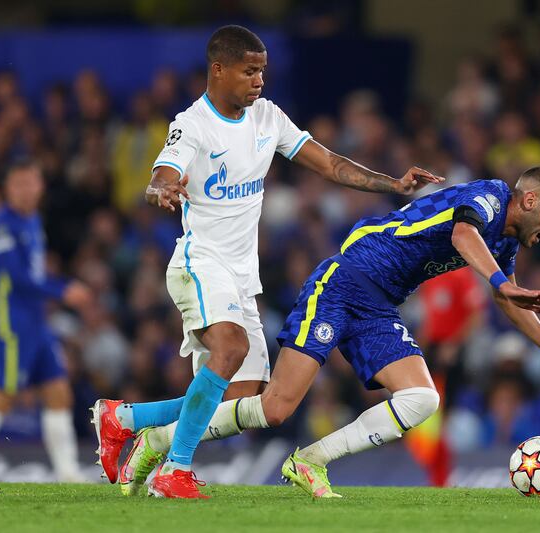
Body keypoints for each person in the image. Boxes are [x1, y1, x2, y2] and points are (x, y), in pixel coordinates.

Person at [91, 24, 441, 499]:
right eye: (249, 71)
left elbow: (330, 163)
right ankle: (174, 469)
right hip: (200, 261)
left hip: (241, 275)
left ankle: (125, 421)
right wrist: (162, 187)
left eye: (263, 71)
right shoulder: (191, 123)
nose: (258, 80)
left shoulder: (267, 118)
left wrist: (393, 185)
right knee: (229, 349)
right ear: (218, 70)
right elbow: (164, 170)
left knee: (243, 398)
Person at [117, 166, 540, 498]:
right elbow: (461, 234)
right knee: (275, 407)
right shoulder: (492, 197)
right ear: (531, 199)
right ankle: (157, 441)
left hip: (380, 306)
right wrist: (499, 281)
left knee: (422, 398)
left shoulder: (507, 241)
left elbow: (508, 299)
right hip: (345, 281)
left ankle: (309, 461)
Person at [0, 159, 93, 482]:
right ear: (7, 188)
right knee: (2, 395)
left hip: (37, 324)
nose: (26, 190)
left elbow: (33, 274)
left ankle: (67, 472)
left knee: (59, 390)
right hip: (13, 324)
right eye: (18, 184)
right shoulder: (1, 226)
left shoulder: (32, 221)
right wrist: (63, 290)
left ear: (40, 186)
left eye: (31, 183)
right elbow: (17, 279)